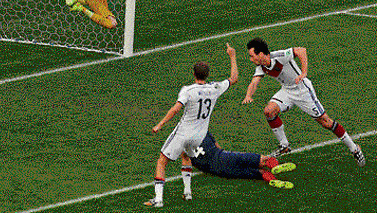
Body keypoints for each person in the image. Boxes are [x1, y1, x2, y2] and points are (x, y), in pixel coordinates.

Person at [242, 37, 366, 167]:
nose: (251, 59)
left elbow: (301, 50)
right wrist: (248, 95)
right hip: (287, 91)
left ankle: (354, 148)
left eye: (252, 56)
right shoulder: (261, 67)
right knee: (269, 111)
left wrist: (304, 72)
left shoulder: (279, 56)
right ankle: (284, 146)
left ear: (260, 53)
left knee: (326, 122)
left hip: (303, 91)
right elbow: (254, 82)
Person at [144, 43, 238, 208]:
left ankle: (158, 199)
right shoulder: (215, 88)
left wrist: (160, 124)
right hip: (199, 137)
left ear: (193, 73)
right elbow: (234, 79)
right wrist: (232, 56)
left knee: (161, 161)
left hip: (183, 134)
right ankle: (187, 192)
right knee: (186, 156)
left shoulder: (188, 90)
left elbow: (175, 109)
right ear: (207, 75)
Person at [190, 131, 297, 189]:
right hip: (224, 158)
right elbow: (218, 148)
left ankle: (272, 180)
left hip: (217, 171)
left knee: (259, 173)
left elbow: (189, 162)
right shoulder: (203, 130)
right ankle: (274, 166)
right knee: (263, 160)